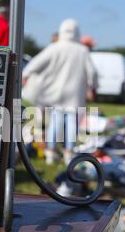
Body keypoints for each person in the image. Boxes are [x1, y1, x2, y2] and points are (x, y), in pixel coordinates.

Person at [22, 19, 98, 165]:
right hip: (75, 94)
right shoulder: (82, 50)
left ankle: (50, 152)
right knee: (71, 124)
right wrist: (92, 86)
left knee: (55, 122)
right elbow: (92, 73)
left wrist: (26, 76)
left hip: (56, 93)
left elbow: (34, 64)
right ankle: (68, 153)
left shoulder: (55, 47)